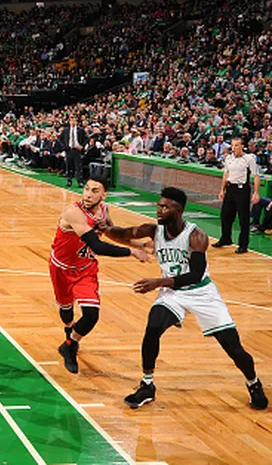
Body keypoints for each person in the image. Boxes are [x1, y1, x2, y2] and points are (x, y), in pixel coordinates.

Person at [104, 187, 267, 411]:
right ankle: (147, 385)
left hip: (201, 292)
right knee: (153, 327)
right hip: (173, 294)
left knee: (233, 348)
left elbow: (195, 274)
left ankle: (253, 383)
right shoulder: (152, 230)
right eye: (158, 205)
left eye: (164, 207)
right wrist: (104, 228)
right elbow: (123, 233)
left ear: (178, 211)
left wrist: (158, 282)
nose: (158, 209)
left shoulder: (196, 236)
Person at [50, 176, 149, 374]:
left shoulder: (104, 210)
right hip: (62, 268)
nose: (88, 193)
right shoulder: (73, 212)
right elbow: (97, 246)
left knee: (91, 314)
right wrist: (132, 252)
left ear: (104, 195)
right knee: (66, 312)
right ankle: (69, 332)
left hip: (86, 269)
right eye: (86, 188)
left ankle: (69, 345)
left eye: (95, 191)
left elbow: (113, 234)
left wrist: (140, 245)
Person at [214, 137, 261, 254]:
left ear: (242, 146)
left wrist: (256, 192)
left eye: (236, 145)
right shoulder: (228, 158)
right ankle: (226, 238)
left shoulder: (249, 159)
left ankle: (243, 245)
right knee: (225, 215)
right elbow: (226, 174)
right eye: (232, 145)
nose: (233, 148)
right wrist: (222, 190)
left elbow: (256, 176)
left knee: (243, 219)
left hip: (242, 190)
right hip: (230, 189)